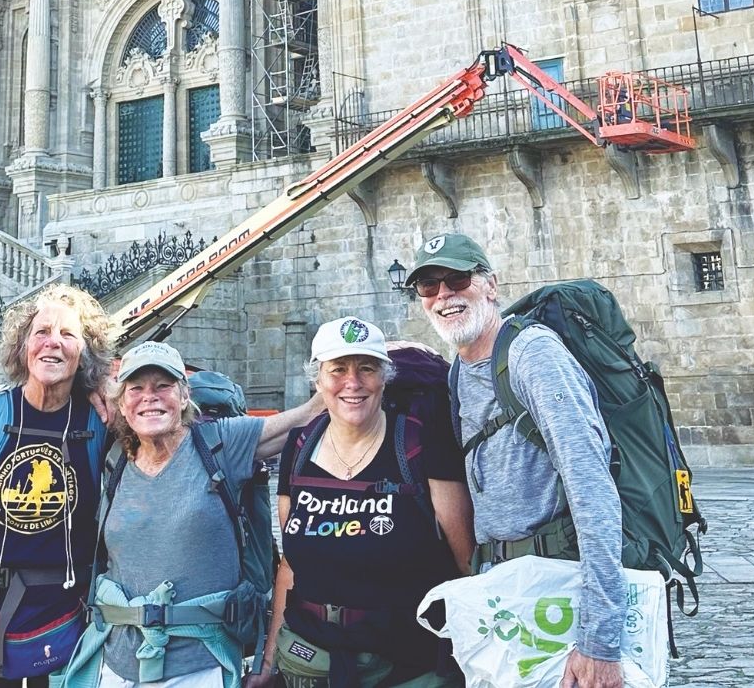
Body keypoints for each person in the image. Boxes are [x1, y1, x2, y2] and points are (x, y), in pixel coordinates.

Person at [407, 233, 624, 688]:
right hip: (508, 591)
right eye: (429, 287)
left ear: (490, 285)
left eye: (457, 279)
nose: (444, 295)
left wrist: (599, 640)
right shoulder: (458, 370)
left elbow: (593, 487)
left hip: (559, 590)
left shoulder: (533, 354)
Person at [60, 341, 321, 688]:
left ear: (183, 397)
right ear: (121, 404)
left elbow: (306, 417)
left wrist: (347, 364)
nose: (149, 397)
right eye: (136, 389)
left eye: (162, 386)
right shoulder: (115, 459)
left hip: (200, 667)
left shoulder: (220, 444)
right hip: (117, 665)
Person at [261, 318, 473, 688]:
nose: (352, 383)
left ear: (384, 378)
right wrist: (267, 665)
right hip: (312, 666)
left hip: (408, 665)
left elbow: (466, 563)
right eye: (337, 370)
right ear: (318, 380)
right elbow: (289, 568)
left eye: (367, 368)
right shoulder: (298, 448)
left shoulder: (420, 445)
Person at [0, 285, 116, 688]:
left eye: (68, 334)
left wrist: (112, 388)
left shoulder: (99, 424)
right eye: (42, 331)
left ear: (85, 352)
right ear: (23, 346)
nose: (53, 343)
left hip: (71, 626)